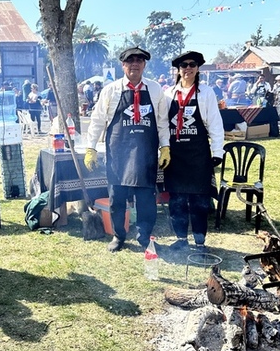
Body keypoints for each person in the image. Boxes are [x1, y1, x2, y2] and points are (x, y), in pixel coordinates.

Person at [84, 46, 171, 252]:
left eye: (139, 61)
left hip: (146, 154)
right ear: (123, 65)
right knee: (117, 199)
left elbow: (162, 122)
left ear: (144, 65)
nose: (134, 64)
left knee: (146, 200)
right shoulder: (111, 90)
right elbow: (97, 121)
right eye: (130, 60)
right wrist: (91, 148)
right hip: (118, 153)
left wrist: (165, 146)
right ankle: (118, 236)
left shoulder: (155, 89)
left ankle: (144, 237)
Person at [164, 51, 224, 253]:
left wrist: (217, 151)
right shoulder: (168, 94)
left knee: (199, 201)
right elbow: (163, 124)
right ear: (178, 70)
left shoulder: (206, 93)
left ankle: (200, 242)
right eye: (183, 65)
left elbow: (215, 123)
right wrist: (162, 149)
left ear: (198, 68)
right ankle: (181, 239)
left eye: (192, 64)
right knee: (177, 200)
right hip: (175, 155)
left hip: (198, 154)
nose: (187, 68)